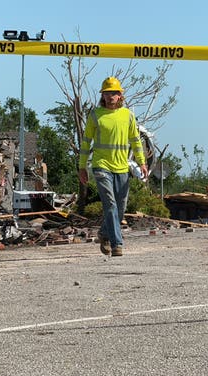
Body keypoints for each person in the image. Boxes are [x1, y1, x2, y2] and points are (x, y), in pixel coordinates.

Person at [78, 76, 148, 257]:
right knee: (109, 203)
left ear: (120, 96)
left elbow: (135, 140)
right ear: (103, 96)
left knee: (120, 206)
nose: (110, 97)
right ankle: (117, 244)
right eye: (107, 93)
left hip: (122, 167)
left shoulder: (128, 116)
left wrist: (142, 162)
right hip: (101, 166)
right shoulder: (95, 115)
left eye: (113, 93)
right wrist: (82, 166)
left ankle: (104, 233)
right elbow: (86, 142)